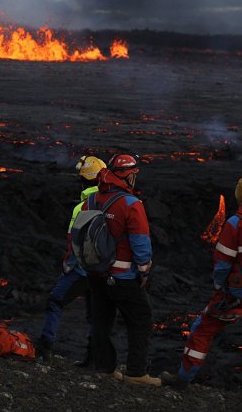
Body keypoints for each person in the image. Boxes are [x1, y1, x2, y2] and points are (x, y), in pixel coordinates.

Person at [80, 153, 160, 386]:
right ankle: (136, 373)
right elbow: (140, 242)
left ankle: (104, 368)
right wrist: (144, 271)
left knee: (101, 321)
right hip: (122, 276)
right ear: (130, 176)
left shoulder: (91, 200)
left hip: (95, 274)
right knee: (141, 318)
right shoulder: (131, 204)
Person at [163, 178, 242, 389]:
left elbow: (224, 262)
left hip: (235, 294)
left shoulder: (236, 224)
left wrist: (219, 287)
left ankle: (182, 378)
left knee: (203, 330)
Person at [36, 155, 106, 364]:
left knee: (55, 301)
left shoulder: (81, 208)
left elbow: (73, 242)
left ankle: (45, 347)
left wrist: (68, 266)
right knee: (95, 313)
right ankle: (93, 357)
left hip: (82, 270)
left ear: (83, 180)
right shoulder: (112, 203)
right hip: (104, 271)